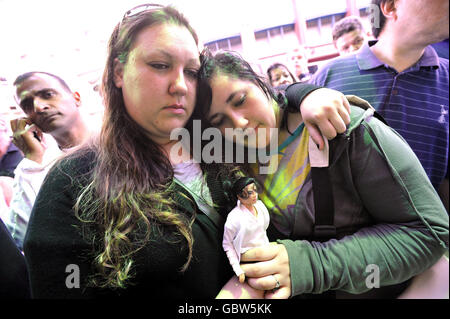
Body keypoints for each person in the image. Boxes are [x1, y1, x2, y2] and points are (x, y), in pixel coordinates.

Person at [22, 4, 354, 299]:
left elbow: (265, 104)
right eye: (159, 64)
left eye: (191, 71)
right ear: (119, 72)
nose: (180, 85)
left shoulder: (224, 140)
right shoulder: (72, 183)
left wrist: (305, 95)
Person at [191, 50, 449, 299]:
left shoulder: (345, 128)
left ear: (260, 83)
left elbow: (430, 232)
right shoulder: (235, 163)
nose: (239, 123)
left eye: (240, 100)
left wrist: (310, 265)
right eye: (220, 120)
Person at [310, 0, 449, 213]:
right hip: (341, 238)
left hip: (423, 235)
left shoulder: (447, 78)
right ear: (391, 6)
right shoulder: (329, 76)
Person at [5, 71, 90, 249]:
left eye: (47, 94)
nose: (38, 107)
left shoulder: (120, 140)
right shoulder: (36, 168)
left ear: (76, 98)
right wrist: (32, 159)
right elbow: (24, 239)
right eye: (27, 105)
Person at [222, 177, 270, 284]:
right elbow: (227, 244)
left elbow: (264, 229)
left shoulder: (260, 206)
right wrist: (237, 269)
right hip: (248, 259)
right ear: (239, 196)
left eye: (255, 190)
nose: (254, 195)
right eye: (249, 192)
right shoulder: (234, 217)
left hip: (266, 252)